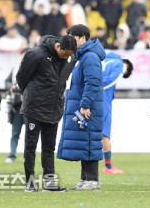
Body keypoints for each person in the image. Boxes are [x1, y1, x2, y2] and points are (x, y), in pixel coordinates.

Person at [16, 34, 77, 192]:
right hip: (34, 109)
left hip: (54, 109)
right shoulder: (35, 54)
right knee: (30, 147)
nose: (67, 57)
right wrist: (31, 95)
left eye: (69, 55)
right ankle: (29, 184)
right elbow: (21, 78)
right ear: (58, 46)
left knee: (49, 148)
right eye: (65, 54)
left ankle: (50, 184)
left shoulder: (68, 57)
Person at [57, 24, 105, 191]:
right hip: (83, 106)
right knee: (84, 142)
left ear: (83, 39)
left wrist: (85, 105)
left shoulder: (90, 57)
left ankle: (93, 180)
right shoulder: (80, 57)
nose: (70, 41)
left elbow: (92, 83)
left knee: (90, 140)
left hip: (89, 108)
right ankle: (85, 178)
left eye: (73, 38)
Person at [102, 52, 133, 174]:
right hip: (103, 99)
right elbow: (110, 80)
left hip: (88, 96)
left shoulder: (102, 60)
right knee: (105, 133)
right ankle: (108, 167)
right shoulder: (120, 65)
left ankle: (87, 168)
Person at [4, 48, 28, 164]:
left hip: (29, 105)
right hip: (16, 106)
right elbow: (7, 81)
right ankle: (12, 154)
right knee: (15, 133)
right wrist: (12, 86)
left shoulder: (34, 67)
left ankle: (27, 156)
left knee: (29, 134)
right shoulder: (15, 68)